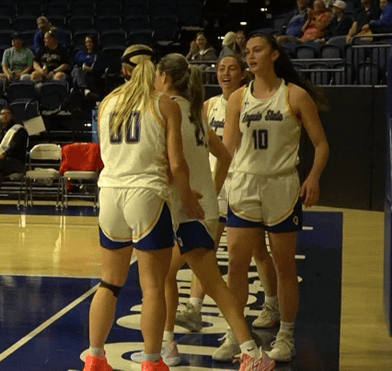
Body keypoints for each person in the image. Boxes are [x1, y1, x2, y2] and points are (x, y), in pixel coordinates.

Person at [127, 53, 275, 369]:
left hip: (186, 209)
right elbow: (224, 156)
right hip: (198, 208)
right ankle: (178, 345)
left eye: (157, 74)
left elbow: (171, 165)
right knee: (189, 280)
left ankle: (244, 352)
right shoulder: (194, 113)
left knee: (174, 279)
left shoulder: (165, 110)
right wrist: (212, 191)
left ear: (165, 77)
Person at [82, 49, 205, 371]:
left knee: (109, 282)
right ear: (156, 70)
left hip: (110, 193)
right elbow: (177, 163)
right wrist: (187, 196)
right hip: (147, 194)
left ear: (125, 70)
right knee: (153, 287)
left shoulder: (107, 102)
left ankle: (94, 357)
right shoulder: (164, 104)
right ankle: (152, 361)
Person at [221, 33, 329, 363]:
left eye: (257, 50)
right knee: (236, 265)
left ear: (274, 54)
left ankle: (286, 335)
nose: (251, 56)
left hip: (281, 186)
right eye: (247, 52)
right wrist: (212, 188)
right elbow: (227, 150)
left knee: (284, 266)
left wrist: (313, 176)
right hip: (244, 185)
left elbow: (321, 145)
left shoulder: (294, 95)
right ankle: (235, 334)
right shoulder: (238, 98)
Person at [180, 56, 280, 343]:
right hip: (216, 184)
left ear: (242, 74)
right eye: (221, 68)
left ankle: (271, 303)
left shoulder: (249, 101)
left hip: (242, 182)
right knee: (204, 247)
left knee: (258, 250)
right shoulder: (208, 105)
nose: (224, 73)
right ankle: (194, 307)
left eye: (231, 68)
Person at [0, 106, 27, 208]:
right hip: (0, 162)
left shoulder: (19, 130)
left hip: (16, 162)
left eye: (7, 114)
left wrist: (4, 154)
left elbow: (16, 147)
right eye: (2, 114)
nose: (4, 116)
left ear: (12, 116)